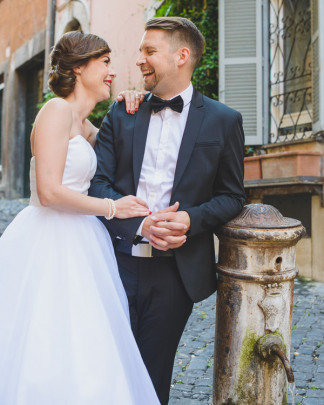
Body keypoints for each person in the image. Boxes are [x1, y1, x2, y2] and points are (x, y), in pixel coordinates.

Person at [89, 16, 246, 405]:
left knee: (153, 376)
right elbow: (98, 185)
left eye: (149, 51)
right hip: (115, 262)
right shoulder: (123, 113)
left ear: (181, 55)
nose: (139, 59)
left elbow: (232, 197)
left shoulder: (225, 121)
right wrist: (142, 223)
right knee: (105, 370)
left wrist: (191, 219)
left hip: (177, 275)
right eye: (140, 50)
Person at [0, 31, 161, 404]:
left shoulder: (86, 125)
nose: (112, 72)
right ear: (78, 68)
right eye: (104, 62)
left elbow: (111, 158)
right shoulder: (55, 110)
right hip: (48, 241)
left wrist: (129, 101)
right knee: (45, 335)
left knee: (88, 340)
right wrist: (112, 208)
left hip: (82, 243)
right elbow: (49, 191)